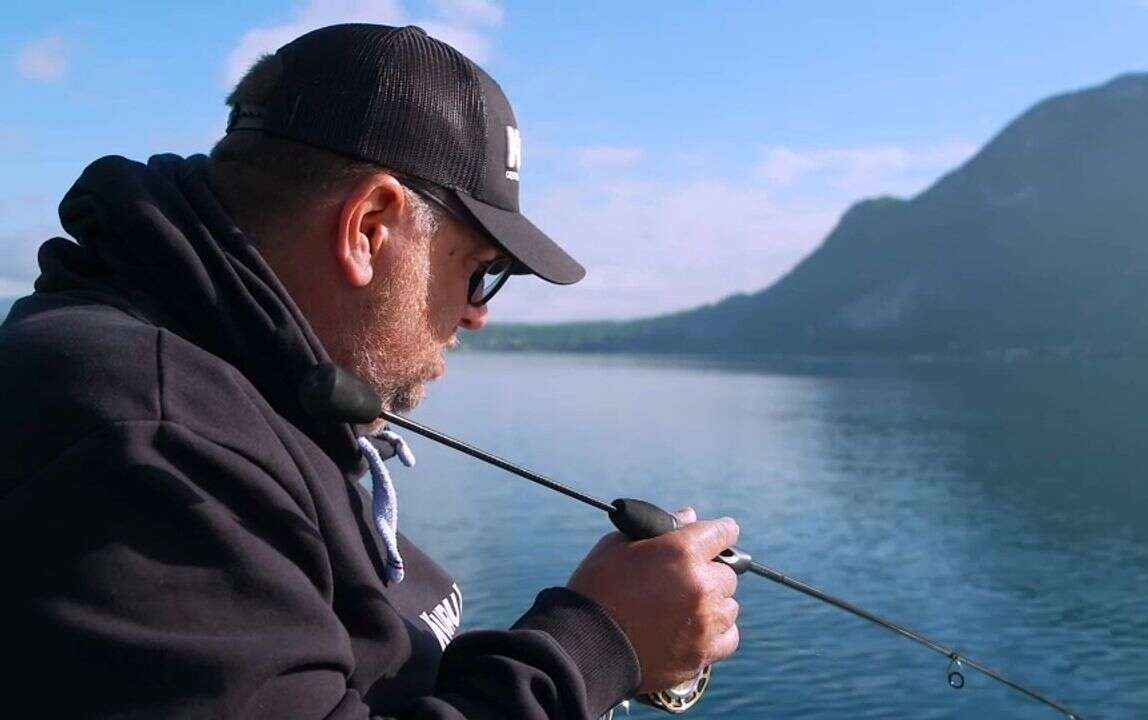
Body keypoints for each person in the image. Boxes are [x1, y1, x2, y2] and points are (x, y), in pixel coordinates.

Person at [0, 23, 740, 719]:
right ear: (369, 227)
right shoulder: (141, 440)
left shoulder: (240, 392)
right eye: (480, 270)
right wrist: (597, 644)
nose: (477, 314)